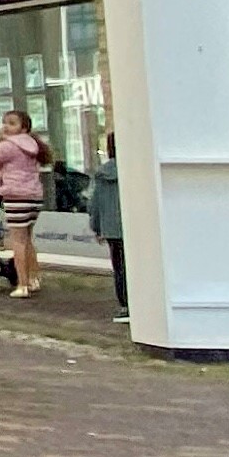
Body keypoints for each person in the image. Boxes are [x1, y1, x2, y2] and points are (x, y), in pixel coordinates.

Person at [0, 110, 53, 298]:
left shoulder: (9, 146)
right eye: (5, 122)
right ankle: (33, 278)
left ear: (23, 128)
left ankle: (22, 285)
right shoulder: (33, 144)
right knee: (27, 239)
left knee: (18, 241)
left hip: (16, 196)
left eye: (12, 123)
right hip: (34, 196)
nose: (6, 127)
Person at [92, 134, 126, 323]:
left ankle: (125, 305)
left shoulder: (102, 174)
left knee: (119, 268)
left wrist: (97, 227)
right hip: (134, 227)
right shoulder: (135, 169)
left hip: (112, 228)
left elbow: (95, 204)